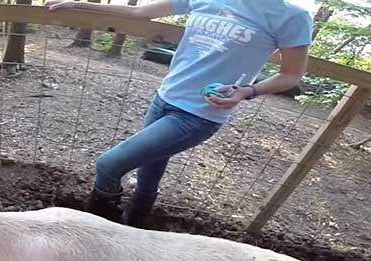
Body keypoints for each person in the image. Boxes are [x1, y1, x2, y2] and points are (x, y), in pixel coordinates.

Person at [46, 0, 313, 228]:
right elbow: (142, 12)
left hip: (199, 114)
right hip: (164, 98)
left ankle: (95, 228)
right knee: (149, 176)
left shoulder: (291, 16)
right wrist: (78, 4)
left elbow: (292, 74)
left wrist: (246, 91)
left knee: (109, 165)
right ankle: (134, 228)